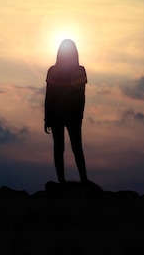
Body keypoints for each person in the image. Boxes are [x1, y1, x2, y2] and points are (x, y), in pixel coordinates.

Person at [44, 39, 88, 183]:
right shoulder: (77, 70)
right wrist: (47, 117)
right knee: (71, 148)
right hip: (67, 115)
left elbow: (80, 95)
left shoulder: (76, 70)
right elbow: (50, 95)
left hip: (66, 115)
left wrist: (48, 117)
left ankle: (77, 180)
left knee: (64, 149)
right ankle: (76, 180)